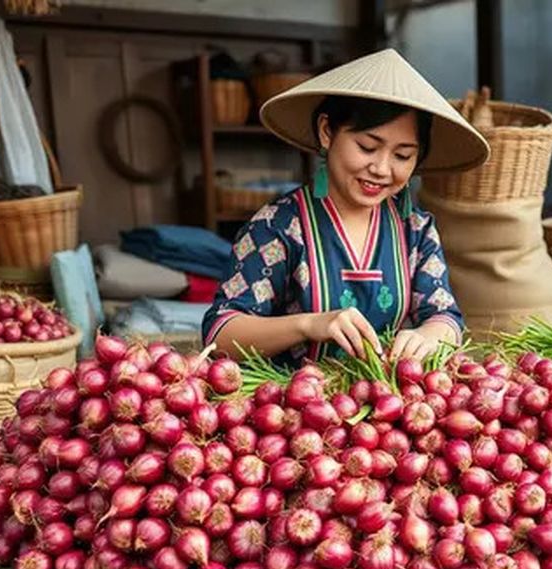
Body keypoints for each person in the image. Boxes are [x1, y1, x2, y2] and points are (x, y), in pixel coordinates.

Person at [201, 49, 490, 366]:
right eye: (367, 147)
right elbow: (220, 335)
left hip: (382, 404)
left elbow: (445, 318)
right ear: (327, 132)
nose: (381, 168)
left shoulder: (415, 230)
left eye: (402, 156)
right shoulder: (277, 226)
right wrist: (310, 324)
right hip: (294, 406)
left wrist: (429, 335)